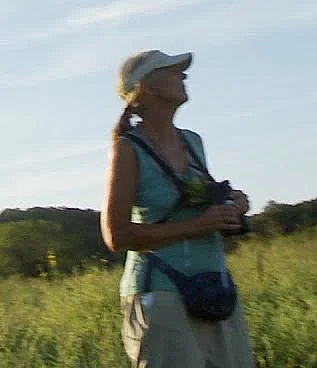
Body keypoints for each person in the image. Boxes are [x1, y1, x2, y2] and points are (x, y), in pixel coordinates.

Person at [101, 50, 257, 368]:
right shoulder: (128, 148)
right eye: (173, 71)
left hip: (216, 288)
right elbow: (116, 236)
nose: (183, 76)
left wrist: (232, 206)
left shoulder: (193, 141)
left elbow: (195, 205)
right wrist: (200, 224)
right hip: (161, 293)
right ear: (148, 87)